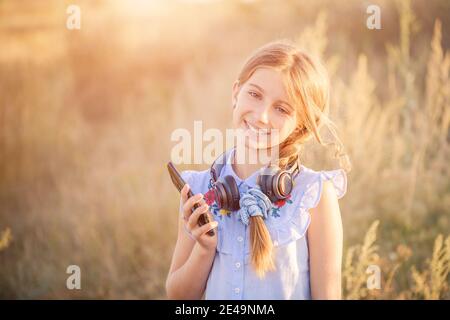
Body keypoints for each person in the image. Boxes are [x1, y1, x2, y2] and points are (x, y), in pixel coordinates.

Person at [166, 39, 349, 300]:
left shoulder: (314, 194)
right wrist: (204, 249)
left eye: (282, 108)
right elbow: (178, 297)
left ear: (300, 125)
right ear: (235, 93)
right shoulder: (197, 189)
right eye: (255, 94)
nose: (262, 115)